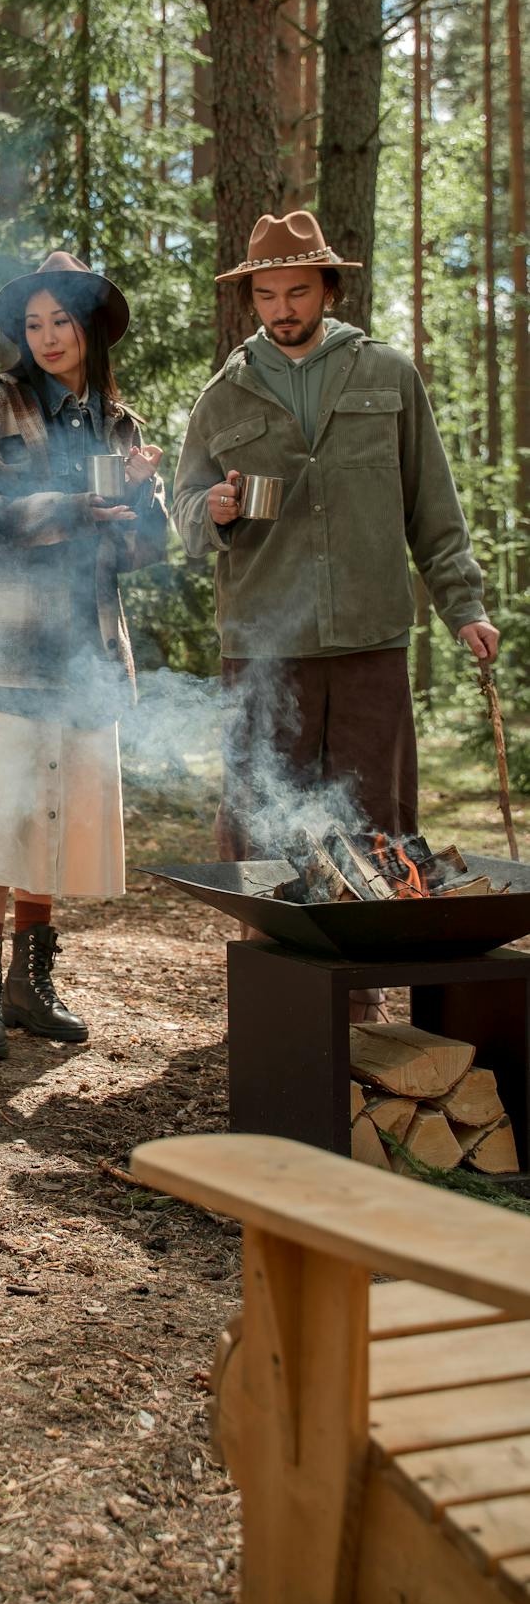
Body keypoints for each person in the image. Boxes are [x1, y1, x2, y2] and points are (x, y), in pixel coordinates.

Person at [172, 210, 498, 1013]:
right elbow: (181, 516)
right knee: (260, 821)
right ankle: (274, 1000)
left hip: (367, 636)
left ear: (327, 288)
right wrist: (208, 509)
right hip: (262, 644)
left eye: (295, 291)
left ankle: (361, 1001)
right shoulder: (223, 396)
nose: (280, 308)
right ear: (249, 298)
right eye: (265, 294)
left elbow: (433, 506)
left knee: (371, 818)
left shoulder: (386, 375)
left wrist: (464, 606)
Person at [0, 250, 168, 1062]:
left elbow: (142, 552)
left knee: (55, 817)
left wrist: (139, 495)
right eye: (33, 324)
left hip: (84, 651)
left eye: (61, 319)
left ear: (88, 326)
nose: (48, 335)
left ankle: (32, 984)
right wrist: (61, 508)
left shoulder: (118, 425)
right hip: (1, 643)